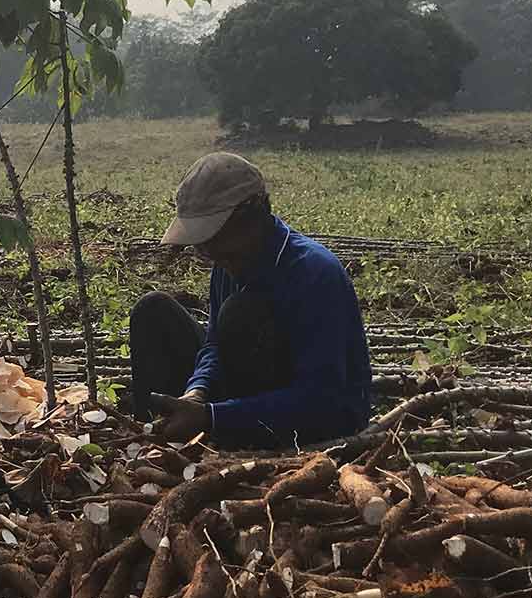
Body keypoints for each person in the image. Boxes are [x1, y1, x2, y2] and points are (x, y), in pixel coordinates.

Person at [130, 152, 370, 449]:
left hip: (313, 416)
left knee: (242, 313)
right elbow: (215, 343)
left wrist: (213, 417)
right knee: (153, 312)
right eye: (204, 245)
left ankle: (227, 437)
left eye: (216, 239)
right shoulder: (228, 262)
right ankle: (156, 434)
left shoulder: (315, 273)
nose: (210, 252)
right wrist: (198, 391)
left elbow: (323, 399)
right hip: (242, 401)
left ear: (254, 217)